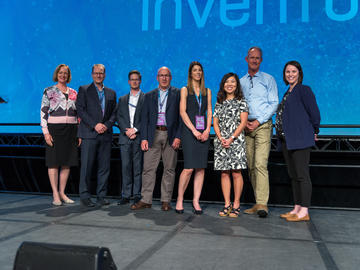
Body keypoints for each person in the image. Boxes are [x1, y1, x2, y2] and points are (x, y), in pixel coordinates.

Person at [131, 67, 181, 211]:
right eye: (161, 75)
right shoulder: (149, 95)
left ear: (170, 78)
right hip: (153, 134)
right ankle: (146, 199)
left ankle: (166, 201)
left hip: (170, 135)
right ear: (157, 77)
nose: (164, 78)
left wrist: (178, 136)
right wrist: (144, 138)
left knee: (169, 169)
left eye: (166, 75)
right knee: (148, 169)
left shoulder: (178, 94)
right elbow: (144, 119)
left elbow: (181, 118)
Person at [275, 61, 320, 222]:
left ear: (299, 73)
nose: (290, 74)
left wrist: (315, 130)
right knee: (293, 176)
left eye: (293, 71)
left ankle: (304, 211)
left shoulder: (303, 90)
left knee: (302, 175)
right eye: (287, 72)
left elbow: (314, 112)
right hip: (287, 140)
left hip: (300, 139)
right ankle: (297, 208)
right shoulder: (288, 92)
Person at [240, 47, 278, 218]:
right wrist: (245, 122)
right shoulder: (240, 81)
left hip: (262, 125)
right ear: (246, 59)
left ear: (261, 60)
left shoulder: (269, 79)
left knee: (260, 163)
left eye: (257, 58)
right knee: (251, 166)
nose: (254, 60)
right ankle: (257, 202)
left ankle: (263, 203)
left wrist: (258, 121)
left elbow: (274, 103)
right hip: (246, 127)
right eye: (251, 57)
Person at [76, 64, 117, 207]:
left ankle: (101, 195)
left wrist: (106, 125)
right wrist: (95, 125)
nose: (98, 75)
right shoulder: (84, 89)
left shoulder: (111, 93)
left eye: (101, 73)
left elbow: (114, 113)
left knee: (104, 167)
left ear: (105, 75)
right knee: (87, 166)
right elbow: (80, 110)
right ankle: (85, 196)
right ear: (92, 74)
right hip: (89, 133)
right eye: (96, 73)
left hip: (105, 134)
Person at [175, 61, 212, 215]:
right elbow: (182, 112)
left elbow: (209, 111)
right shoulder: (185, 90)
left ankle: (196, 200)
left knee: (201, 168)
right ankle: (180, 199)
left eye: (200, 70)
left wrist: (207, 129)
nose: (197, 73)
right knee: (189, 168)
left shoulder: (207, 91)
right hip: (190, 132)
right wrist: (194, 130)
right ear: (190, 73)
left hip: (204, 132)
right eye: (195, 70)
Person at [40, 64, 79, 206]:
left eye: (66, 73)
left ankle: (62, 192)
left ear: (69, 76)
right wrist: (46, 133)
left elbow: (78, 115)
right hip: (55, 130)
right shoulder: (49, 91)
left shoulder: (74, 92)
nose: (63, 75)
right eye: (61, 73)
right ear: (57, 74)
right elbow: (43, 112)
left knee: (67, 163)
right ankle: (55, 194)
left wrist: (79, 133)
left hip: (71, 130)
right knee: (54, 163)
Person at [213, 73, 248, 218]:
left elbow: (243, 122)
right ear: (223, 84)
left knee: (236, 172)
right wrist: (221, 138)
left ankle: (237, 204)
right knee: (224, 172)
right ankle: (227, 204)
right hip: (221, 142)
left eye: (233, 82)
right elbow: (215, 122)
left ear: (237, 85)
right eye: (227, 82)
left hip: (236, 141)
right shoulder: (219, 102)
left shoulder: (242, 101)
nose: (230, 84)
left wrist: (231, 138)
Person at [116, 70, 145, 205]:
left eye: (137, 79)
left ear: (140, 81)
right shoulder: (122, 99)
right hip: (125, 137)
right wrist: (126, 130)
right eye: (132, 79)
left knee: (138, 167)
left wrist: (136, 129)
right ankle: (126, 194)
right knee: (126, 167)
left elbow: (147, 117)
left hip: (139, 137)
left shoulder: (146, 98)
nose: (134, 81)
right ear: (128, 82)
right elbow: (119, 117)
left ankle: (137, 194)